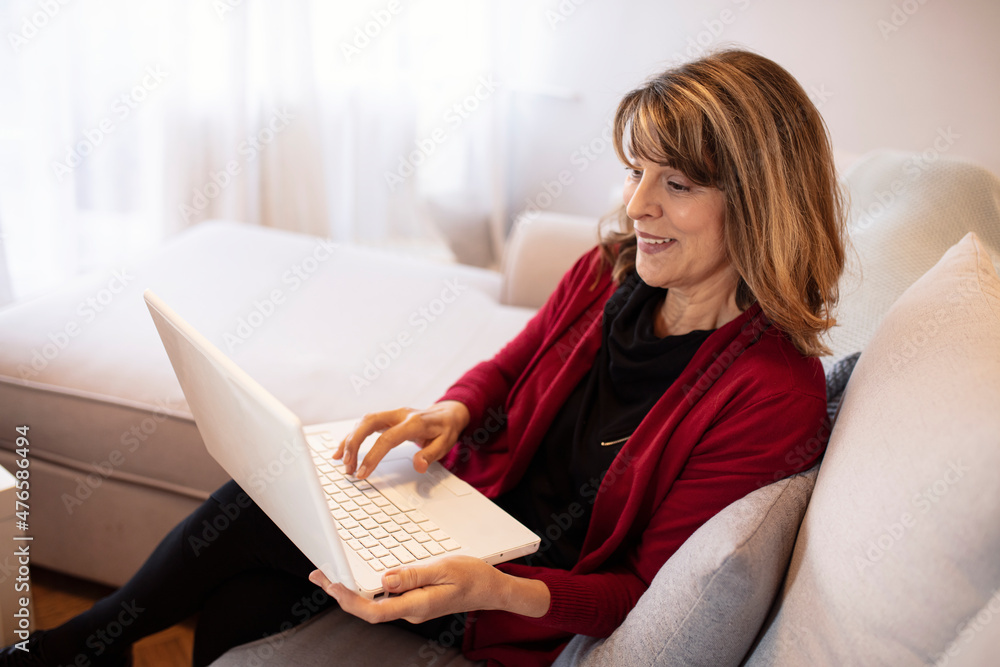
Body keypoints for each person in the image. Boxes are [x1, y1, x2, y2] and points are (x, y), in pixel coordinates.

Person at [2, 47, 846, 667]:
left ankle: (81, 644)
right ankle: (90, 645)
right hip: (468, 507)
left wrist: (492, 587)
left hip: (517, 595)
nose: (636, 206)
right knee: (254, 563)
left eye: (676, 184)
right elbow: (510, 365)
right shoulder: (610, 270)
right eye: (635, 172)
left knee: (254, 531)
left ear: (760, 203)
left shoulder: (771, 392)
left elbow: (639, 589)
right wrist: (454, 409)